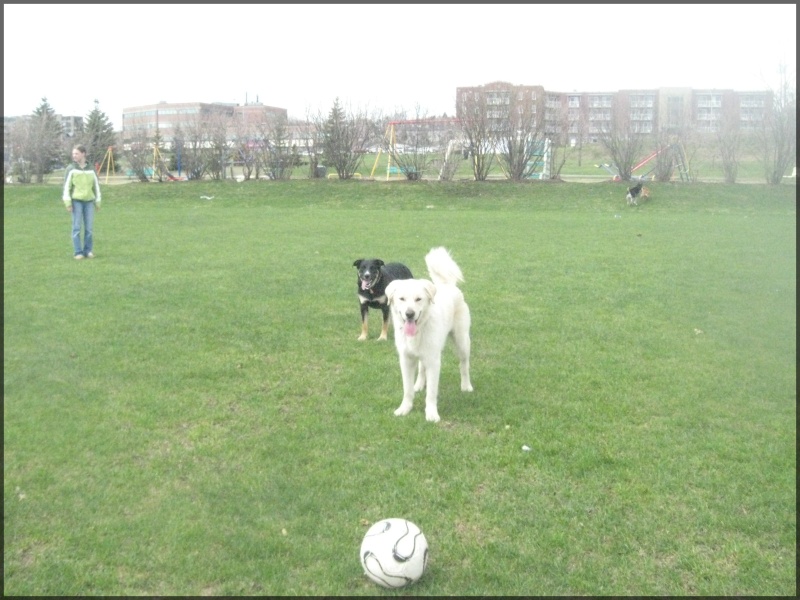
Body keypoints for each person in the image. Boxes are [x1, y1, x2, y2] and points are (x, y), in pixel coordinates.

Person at [62, 144, 102, 259]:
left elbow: (96, 186)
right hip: (76, 201)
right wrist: (68, 203)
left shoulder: (91, 169)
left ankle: (88, 250)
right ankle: (78, 252)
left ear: (83, 154)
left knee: (89, 228)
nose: (74, 156)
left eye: (76, 153)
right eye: (73, 154)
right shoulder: (71, 168)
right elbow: (66, 187)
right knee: (76, 228)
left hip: (89, 201)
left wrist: (98, 201)